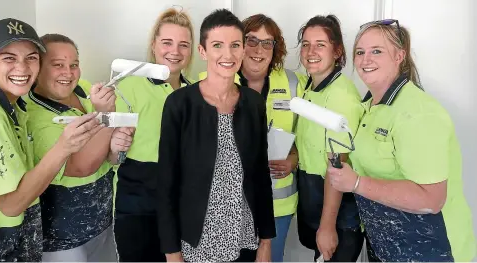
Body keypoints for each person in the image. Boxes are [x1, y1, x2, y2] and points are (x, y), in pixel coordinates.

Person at [0, 18, 102, 262]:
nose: (22, 68)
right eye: (9, 58)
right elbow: (11, 205)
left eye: (31, 57)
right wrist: (64, 147)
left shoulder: (12, 104)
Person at [326, 19, 477, 262]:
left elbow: (431, 198)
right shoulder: (368, 108)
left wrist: (356, 184)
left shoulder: (418, 113)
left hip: (431, 249)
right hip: (387, 245)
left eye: (377, 51)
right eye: (360, 52)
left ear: (399, 56)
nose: (366, 59)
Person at [157, 9, 275, 262]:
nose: (228, 54)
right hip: (196, 240)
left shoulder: (253, 103)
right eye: (218, 45)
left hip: (244, 235)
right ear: (203, 51)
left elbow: (260, 176)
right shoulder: (180, 104)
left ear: (243, 49)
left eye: (235, 45)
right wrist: (171, 253)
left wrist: (266, 242)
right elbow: (167, 182)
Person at [198, 13, 305, 262]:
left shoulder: (294, 83)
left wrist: (294, 158)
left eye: (267, 43)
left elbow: (307, 138)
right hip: (225, 205)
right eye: (251, 41)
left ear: (275, 48)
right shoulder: (207, 82)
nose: (259, 49)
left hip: (278, 204)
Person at [25, 33, 134, 262]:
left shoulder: (83, 90)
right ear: (39, 68)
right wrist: (105, 116)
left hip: (103, 225)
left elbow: (109, 158)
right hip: (62, 240)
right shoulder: (35, 116)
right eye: (58, 65)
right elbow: (81, 166)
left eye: (74, 64)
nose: (68, 72)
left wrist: (115, 149)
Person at [112, 7, 195, 262]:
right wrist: (115, 146)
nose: (175, 51)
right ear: (154, 45)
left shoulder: (196, 95)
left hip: (183, 204)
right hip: (137, 205)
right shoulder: (128, 86)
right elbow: (110, 158)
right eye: (167, 43)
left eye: (184, 45)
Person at [294, 15, 364, 262]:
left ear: (337, 51)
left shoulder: (341, 96)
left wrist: (327, 227)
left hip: (338, 217)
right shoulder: (308, 89)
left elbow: (337, 166)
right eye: (305, 44)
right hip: (314, 202)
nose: (310, 51)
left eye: (320, 44)